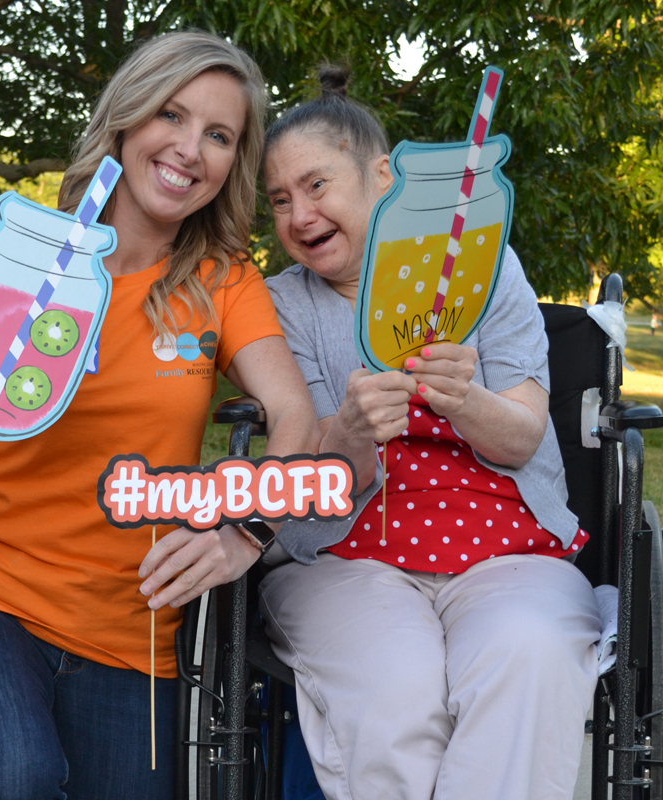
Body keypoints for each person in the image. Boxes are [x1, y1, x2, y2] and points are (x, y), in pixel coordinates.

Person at [0, 32, 318, 800]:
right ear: (126, 118)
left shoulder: (224, 280)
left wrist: (245, 528)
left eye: (219, 135)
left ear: (233, 163)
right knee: (17, 776)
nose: (189, 148)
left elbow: (296, 420)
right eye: (170, 115)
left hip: (133, 638)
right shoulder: (24, 257)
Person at [257, 66, 601, 800]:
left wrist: (466, 401)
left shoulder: (486, 269)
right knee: (395, 684)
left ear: (382, 176)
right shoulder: (282, 305)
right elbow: (311, 478)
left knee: (534, 654)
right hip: (349, 552)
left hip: (507, 544)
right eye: (280, 199)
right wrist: (349, 429)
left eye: (316, 185)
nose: (297, 215)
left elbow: (519, 435)